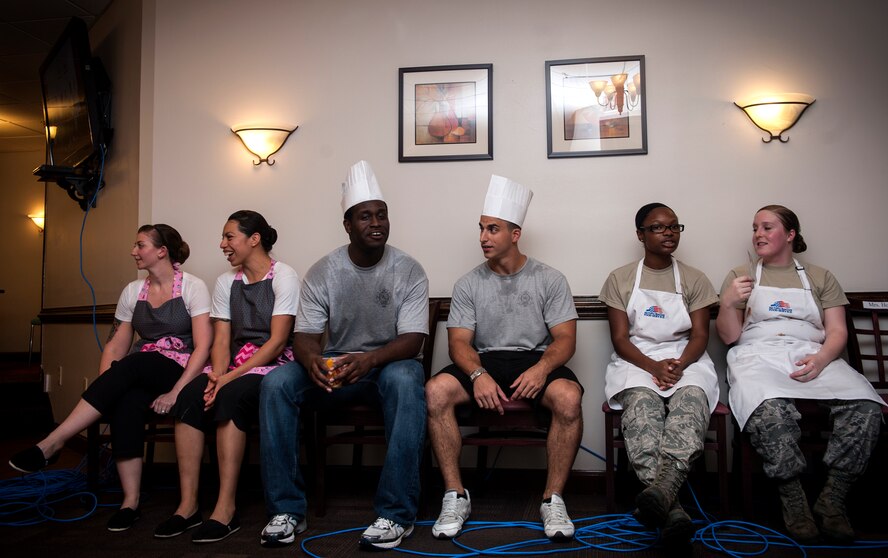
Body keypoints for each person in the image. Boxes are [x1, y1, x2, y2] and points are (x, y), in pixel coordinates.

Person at [259, 160, 429, 550]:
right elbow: (304, 336)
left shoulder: (409, 270)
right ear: (348, 225)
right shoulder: (323, 271)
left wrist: (369, 360)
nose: (377, 223)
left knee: (407, 377)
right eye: (366, 216)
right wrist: (312, 360)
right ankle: (286, 510)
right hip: (336, 366)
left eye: (382, 215)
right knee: (276, 383)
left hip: (385, 368)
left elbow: (414, 341)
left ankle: (395, 514)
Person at [9, 225, 212, 532]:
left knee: (134, 363)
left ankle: (54, 441)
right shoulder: (132, 291)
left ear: (161, 251)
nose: (133, 251)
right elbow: (117, 343)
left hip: (183, 367)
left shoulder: (193, 287)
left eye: (140, 245)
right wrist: (109, 385)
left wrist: (175, 392)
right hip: (142, 368)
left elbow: (203, 346)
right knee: (126, 403)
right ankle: (130, 502)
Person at [426, 175, 583, 541]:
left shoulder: (550, 279)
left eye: (492, 229)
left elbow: (565, 339)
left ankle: (552, 499)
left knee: (569, 397)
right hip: (485, 359)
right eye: (481, 228)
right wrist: (478, 374)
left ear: (515, 234)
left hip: (534, 358)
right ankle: (455, 495)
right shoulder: (468, 283)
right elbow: (459, 344)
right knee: (435, 391)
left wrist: (543, 369)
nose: (483, 237)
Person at [716, 204, 883, 543]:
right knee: (766, 408)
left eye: (767, 227)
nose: (758, 235)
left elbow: (837, 331)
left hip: (811, 354)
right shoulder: (741, 275)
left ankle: (832, 500)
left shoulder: (820, 277)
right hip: (757, 354)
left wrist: (821, 359)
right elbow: (729, 337)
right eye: (755, 228)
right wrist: (728, 303)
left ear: (790, 235)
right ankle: (793, 497)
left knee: (866, 406)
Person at [158, 210, 299, 543]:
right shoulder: (225, 282)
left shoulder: (285, 276)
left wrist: (229, 379)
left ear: (254, 240)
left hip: (275, 363)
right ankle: (188, 505)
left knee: (233, 396)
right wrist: (216, 376)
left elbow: (278, 340)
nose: (222, 244)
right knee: (190, 396)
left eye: (229, 236)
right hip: (234, 364)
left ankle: (226, 508)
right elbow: (221, 339)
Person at [599, 203, 720, 545]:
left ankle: (661, 493)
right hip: (637, 360)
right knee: (641, 409)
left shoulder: (695, 278)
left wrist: (678, 365)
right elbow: (620, 339)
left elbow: (699, 335)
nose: (668, 233)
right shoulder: (620, 278)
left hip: (687, 358)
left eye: (674, 227)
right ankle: (674, 510)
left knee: (692, 402)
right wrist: (652, 367)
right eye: (658, 227)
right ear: (640, 235)